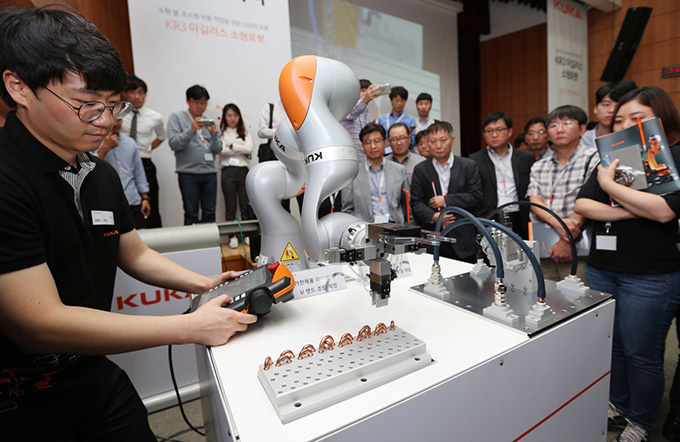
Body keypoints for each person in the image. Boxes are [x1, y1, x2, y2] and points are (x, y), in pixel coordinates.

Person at [0, 7, 256, 441]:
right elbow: (38, 323)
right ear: (19, 87)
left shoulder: (98, 174)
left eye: (113, 105)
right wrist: (186, 327)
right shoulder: (7, 178)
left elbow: (133, 253)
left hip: (91, 373)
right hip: (20, 396)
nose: (106, 121)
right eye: (87, 104)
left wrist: (207, 285)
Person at [574, 87, 680, 442]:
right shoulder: (611, 159)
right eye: (619, 120)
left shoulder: (674, 155)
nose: (625, 126)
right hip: (603, 267)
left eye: (637, 119)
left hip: (651, 274)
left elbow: (664, 212)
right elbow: (583, 206)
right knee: (614, 345)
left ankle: (642, 420)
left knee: (642, 352)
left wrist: (610, 186)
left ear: (660, 117)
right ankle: (618, 403)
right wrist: (630, 209)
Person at [527, 105, 598, 281]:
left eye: (567, 123)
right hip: (544, 249)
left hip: (579, 249)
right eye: (553, 125)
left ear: (582, 129)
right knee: (544, 294)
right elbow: (535, 202)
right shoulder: (539, 166)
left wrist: (566, 242)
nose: (559, 130)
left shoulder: (594, 158)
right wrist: (559, 224)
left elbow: (588, 201)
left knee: (576, 296)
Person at [411, 121, 483, 263]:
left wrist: (446, 200)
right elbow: (416, 202)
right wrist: (433, 216)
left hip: (463, 239)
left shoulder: (468, 166)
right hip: (432, 238)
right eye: (433, 141)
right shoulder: (421, 169)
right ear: (427, 143)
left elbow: (476, 196)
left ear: (452, 140)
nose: (438, 145)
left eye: (443, 140)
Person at [470, 112, 534, 239]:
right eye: (489, 131)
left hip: (519, 218)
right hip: (489, 218)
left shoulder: (525, 158)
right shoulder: (475, 159)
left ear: (510, 131)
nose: (494, 135)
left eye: (499, 130)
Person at [167, 85, 221, 225]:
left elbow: (218, 149)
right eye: (196, 102)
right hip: (188, 173)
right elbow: (174, 144)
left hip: (209, 172)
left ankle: (210, 240)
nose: (200, 106)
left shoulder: (210, 120)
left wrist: (214, 135)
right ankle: (193, 240)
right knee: (191, 213)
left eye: (203, 103)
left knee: (210, 212)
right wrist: (191, 130)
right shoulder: (177, 117)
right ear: (188, 101)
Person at [120, 75, 166, 228]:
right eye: (132, 92)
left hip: (145, 162)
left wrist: (147, 148)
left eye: (140, 92)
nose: (136, 97)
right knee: (124, 204)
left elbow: (161, 136)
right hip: (123, 165)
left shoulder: (155, 117)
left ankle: (158, 238)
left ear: (145, 94)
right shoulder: (118, 114)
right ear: (125, 94)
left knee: (152, 205)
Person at [341, 123, 410, 224]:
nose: (373, 146)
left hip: (396, 226)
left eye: (377, 141)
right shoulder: (353, 174)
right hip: (365, 228)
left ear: (385, 143)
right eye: (367, 142)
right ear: (362, 146)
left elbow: (407, 207)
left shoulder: (399, 170)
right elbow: (347, 210)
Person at [96, 117, 151, 229]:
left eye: (119, 119)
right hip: (106, 202)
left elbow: (138, 172)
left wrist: (145, 197)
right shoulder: (94, 142)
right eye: (113, 119)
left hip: (131, 200)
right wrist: (105, 148)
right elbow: (89, 167)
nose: (116, 123)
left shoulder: (130, 142)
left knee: (136, 234)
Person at [219, 103, 253, 248]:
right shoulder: (221, 133)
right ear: (225, 117)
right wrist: (240, 148)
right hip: (227, 171)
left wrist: (232, 146)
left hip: (243, 171)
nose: (232, 118)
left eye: (235, 115)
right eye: (229, 115)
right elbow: (221, 150)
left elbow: (249, 149)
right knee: (230, 207)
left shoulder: (245, 133)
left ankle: (246, 235)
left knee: (245, 205)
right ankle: (232, 236)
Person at [581, 79, 638, 148]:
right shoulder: (582, 140)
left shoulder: (634, 138)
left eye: (617, 106)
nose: (612, 110)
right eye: (606, 104)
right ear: (595, 108)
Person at [340, 79, 380, 162]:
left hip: (364, 158)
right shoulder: (347, 107)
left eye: (368, 91)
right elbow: (354, 112)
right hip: (350, 157)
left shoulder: (367, 113)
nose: (366, 93)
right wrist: (365, 100)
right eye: (363, 91)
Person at [377, 86, 416, 153]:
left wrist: (409, 136)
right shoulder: (382, 119)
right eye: (397, 100)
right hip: (384, 154)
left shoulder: (410, 120)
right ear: (391, 100)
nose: (399, 104)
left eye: (402, 101)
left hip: (403, 153)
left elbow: (413, 142)